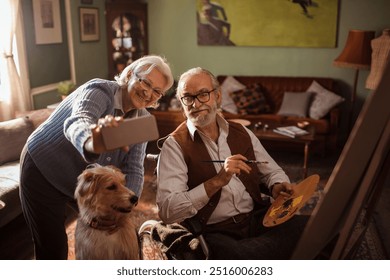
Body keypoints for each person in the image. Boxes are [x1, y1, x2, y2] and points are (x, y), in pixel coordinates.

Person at [19, 55, 174, 259]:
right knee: (53, 249)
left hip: (85, 183)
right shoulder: (99, 91)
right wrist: (92, 142)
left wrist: (126, 206)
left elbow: (134, 168)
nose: (148, 92)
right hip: (43, 168)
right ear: (128, 74)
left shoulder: (143, 120)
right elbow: (79, 121)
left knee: (116, 236)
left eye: (157, 91)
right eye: (145, 81)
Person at [156, 67, 308, 259]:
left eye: (203, 94)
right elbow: (168, 211)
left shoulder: (242, 132)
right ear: (182, 104)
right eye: (188, 97)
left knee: (313, 227)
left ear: (217, 97)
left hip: (256, 218)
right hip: (213, 231)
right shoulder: (174, 146)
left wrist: (276, 185)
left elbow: (271, 171)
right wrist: (217, 181)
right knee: (243, 256)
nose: (196, 103)